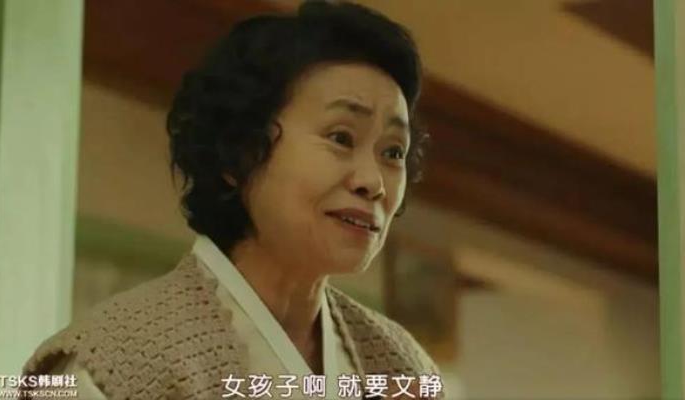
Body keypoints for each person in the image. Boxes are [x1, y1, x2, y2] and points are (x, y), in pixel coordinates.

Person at [22, 1, 443, 399]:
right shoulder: (107, 363)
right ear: (239, 153)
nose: (373, 182)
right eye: (341, 137)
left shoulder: (401, 365)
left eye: (393, 152)